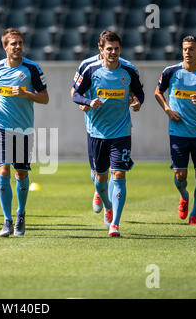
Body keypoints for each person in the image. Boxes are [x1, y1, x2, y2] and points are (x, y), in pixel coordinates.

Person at [72, 31, 144, 237]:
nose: (113, 52)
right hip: (96, 133)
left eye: (116, 49)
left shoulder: (128, 70)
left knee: (119, 174)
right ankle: (106, 203)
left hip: (121, 132)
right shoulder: (90, 69)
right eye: (109, 49)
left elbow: (140, 92)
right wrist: (88, 103)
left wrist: (138, 102)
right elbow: (76, 94)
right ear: (101, 49)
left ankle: (115, 224)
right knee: (100, 177)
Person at [0, 28, 49, 237]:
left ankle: (21, 214)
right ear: (5, 47)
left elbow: (44, 98)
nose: (17, 47)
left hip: (23, 128)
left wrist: (26, 93)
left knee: (21, 173)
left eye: (20, 43)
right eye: (13, 44)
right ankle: (7, 221)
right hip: (0, 126)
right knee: (3, 171)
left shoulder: (32, 68)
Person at [154, 35, 196, 225]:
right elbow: (157, 92)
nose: (187, 52)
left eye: (191, 49)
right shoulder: (171, 72)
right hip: (178, 133)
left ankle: (194, 213)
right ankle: (184, 196)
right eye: (185, 49)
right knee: (180, 176)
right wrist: (168, 110)